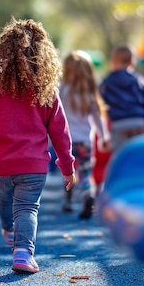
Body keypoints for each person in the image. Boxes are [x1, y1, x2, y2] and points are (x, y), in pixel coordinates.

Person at [0, 17, 76, 275]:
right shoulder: (47, 93)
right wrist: (67, 166)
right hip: (34, 166)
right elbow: (60, 133)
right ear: (44, 59)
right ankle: (23, 251)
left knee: (6, 199)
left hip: (2, 166)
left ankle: (9, 230)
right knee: (27, 208)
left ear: (3, 57)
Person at [59, 50, 109, 219]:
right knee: (85, 173)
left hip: (65, 142)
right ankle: (88, 195)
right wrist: (103, 137)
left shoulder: (62, 90)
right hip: (84, 142)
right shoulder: (89, 93)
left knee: (67, 171)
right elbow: (97, 118)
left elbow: (54, 115)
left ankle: (67, 201)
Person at [99, 45, 144, 155]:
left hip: (119, 122)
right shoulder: (139, 80)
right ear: (133, 62)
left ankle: (120, 171)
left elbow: (101, 100)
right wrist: (142, 116)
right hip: (138, 121)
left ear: (113, 62)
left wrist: (108, 114)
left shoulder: (107, 81)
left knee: (119, 156)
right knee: (138, 153)